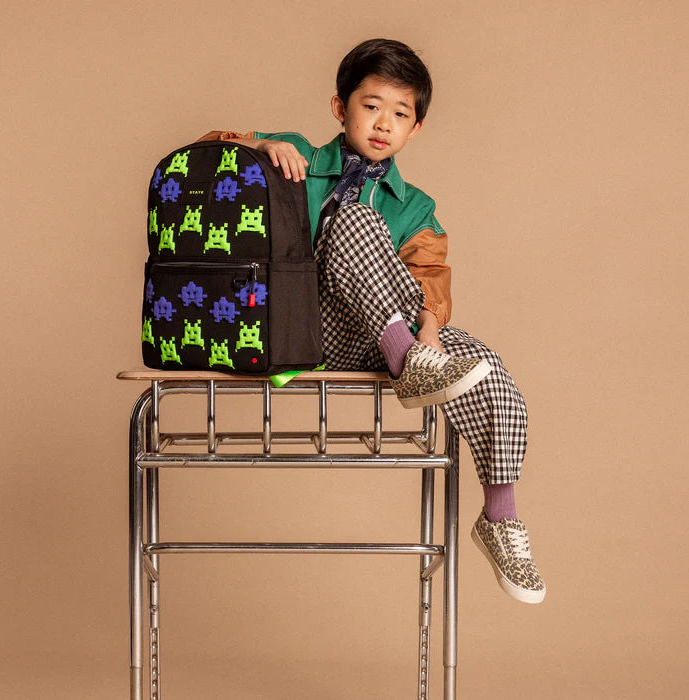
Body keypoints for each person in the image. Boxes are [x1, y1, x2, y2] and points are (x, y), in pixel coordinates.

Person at [197, 38, 545, 604]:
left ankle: (499, 518)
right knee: (355, 218)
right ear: (341, 107)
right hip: (302, 330)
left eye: (400, 114)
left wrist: (429, 338)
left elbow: (428, 283)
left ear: (416, 128)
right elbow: (204, 151)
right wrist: (259, 146)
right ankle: (411, 361)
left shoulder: (416, 207)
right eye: (372, 105)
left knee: (484, 363)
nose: (384, 123)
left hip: (381, 341)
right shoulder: (294, 155)